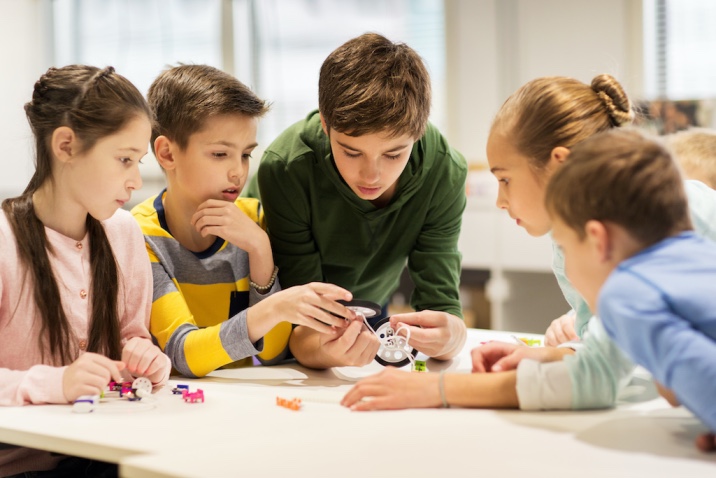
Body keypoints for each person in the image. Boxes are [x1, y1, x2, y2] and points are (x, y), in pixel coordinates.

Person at [341, 74, 716, 416]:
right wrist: (550, 356)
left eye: (504, 180)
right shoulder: (602, 234)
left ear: (558, 166)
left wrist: (439, 387)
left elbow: (598, 377)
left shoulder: (636, 246)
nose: (500, 201)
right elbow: (615, 350)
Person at [243, 33, 468, 369]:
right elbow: (300, 321)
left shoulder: (444, 170)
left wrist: (452, 335)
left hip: (368, 310)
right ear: (325, 123)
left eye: (394, 154)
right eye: (351, 151)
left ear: (419, 132)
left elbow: (440, 303)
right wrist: (320, 348)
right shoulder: (286, 167)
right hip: (267, 320)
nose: (371, 175)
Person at [131, 65, 357, 379]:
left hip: (237, 405)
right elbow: (183, 355)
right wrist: (274, 307)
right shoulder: (139, 236)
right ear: (167, 154)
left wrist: (261, 250)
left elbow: (272, 353)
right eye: (220, 154)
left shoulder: (255, 221)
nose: (238, 172)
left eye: (246, 154)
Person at [0, 65, 171, 476]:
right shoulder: (5, 241)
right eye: (124, 159)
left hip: (107, 454)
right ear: (66, 146)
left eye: (139, 161)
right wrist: (56, 384)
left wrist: (147, 360)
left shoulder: (124, 233)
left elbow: (131, 339)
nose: (135, 181)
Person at [544, 129, 716, 452]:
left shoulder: (623, 293)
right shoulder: (698, 252)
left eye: (564, 247)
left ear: (597, 239)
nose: (565, 266)